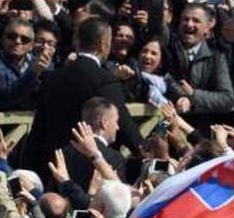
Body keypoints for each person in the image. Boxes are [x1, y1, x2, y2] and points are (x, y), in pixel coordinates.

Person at [14, 17, 141, 184]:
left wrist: (30, 170)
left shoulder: (53, 77)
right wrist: (146, 146)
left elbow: (38, 130)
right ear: (104, 43)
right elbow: (124, 126)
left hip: (53, 170)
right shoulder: (105, 80)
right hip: (91, 173)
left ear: (76, 41)